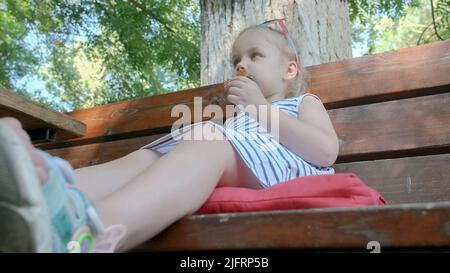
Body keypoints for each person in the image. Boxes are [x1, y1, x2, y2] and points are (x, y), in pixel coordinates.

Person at [0, 19, 339, 253]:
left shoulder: (300, 102)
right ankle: (43, 189)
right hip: (231, 159)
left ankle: (87, 232)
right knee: (148, 156)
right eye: (236, 59)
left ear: (289, 69)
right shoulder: (237, 119)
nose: (242, 65)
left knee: (206, 136)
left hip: (280, 175)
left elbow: (325, 152)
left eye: (255, 56)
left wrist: (259, 108)